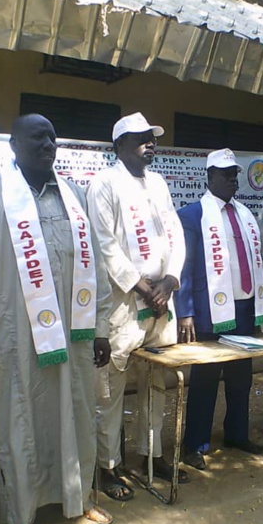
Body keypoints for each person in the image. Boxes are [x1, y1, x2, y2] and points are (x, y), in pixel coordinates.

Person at [0, 114, 114, 524]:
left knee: (78, 414)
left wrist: (100, 327)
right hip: (18, 338)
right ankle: (21, 514)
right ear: (14, 144)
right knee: (21, 420)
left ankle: (79, 498)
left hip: (75, 337)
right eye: (37, 137)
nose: (47, 144)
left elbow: (96, 267)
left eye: (52, 138)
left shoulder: (75, 196)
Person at [86, 112, 187, 501]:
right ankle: (108, 466)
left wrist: (171, 280)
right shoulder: (103, 184)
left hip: (161, 303)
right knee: (110, 390)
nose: (151, 144)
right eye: (141, 138)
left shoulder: (158, 182)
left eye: (152, 138)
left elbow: (174, 232)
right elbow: (105, 245)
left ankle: (151, 455)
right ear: (119, 146)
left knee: (156, 382)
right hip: (125, 302)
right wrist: (145, 289)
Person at [174, 149, 263, 470]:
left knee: (241, 377)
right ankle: (195, 443)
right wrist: (185, 312)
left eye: (235, 174)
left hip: (244, 309)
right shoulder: (192, 215)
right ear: (210, 176)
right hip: (209, 312)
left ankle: (237, 434)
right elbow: (184, 268)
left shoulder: (245, 215)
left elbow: (255, 262)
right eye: (225, 174)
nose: (232, 180)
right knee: (205, 379)